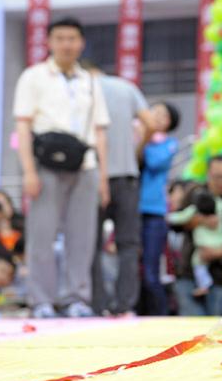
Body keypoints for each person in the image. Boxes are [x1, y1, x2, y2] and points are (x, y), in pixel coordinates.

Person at [13, 17, 110, 318]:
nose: (66, 44)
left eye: (72, 38)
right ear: (50, 42)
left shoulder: (91, 81)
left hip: (85, 165)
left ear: (81, 43)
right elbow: (23, 125)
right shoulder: (34, 76)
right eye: (60, 38)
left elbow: (100, 130)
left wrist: (103, 176)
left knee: (82, 236)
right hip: (46, 166)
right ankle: (41, 300)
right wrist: (28, 170)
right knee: (42, 233)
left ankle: (77, 298)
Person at [84, 61, 155, 316]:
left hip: (91, 176)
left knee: (90, 244)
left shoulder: (82, 88)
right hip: (126, 175)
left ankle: (97, 303)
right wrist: (136, 150)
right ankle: (124, 304)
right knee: (127, 244)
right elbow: (151, 123)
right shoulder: (126, 88)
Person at [138, 101, 180, 315]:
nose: (155, 116)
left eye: (162, 115)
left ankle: (160, 315)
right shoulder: (138, 137)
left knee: (151, 271)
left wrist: (143, 137)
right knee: (133, 269)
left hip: (154, 213)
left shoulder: (170, 144)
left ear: (169, 123)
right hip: (133, 210)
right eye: (153, 111)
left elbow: (152, 162)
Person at [166, 190, 222, 297]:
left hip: (204, 246)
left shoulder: (194, 211)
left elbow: (180, 217)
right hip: (221, 242)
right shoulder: (219, 209)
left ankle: (204, 284)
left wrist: (167, 217)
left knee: (197, 263)